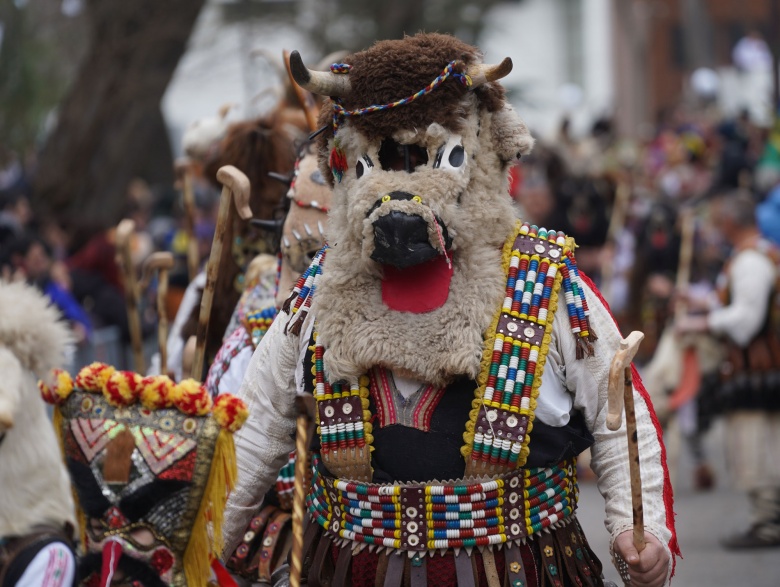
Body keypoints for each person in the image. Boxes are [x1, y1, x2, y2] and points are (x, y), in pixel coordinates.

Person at [224, 34, 678, 586]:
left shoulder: (545, 286)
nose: (402, 191)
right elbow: (253, 435)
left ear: (484, 154)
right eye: (376, 164)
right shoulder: (318, 297)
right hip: (349, 569)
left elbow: (619, 423)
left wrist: (643, 530)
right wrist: (205, 547)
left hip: (519, 570)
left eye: (431, 159)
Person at [677, 191, 780, 548]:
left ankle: (768, 523)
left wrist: (701, 323)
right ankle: (765, 518)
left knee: (758, 443)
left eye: (720, 220)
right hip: (755, 369)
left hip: (759, 371)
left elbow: (746, 321)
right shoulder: (751, 257)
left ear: (732, 223)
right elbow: (736, 302)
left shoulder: (751, 261)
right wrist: (700, 301)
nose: (717, 227)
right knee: (760, 441)